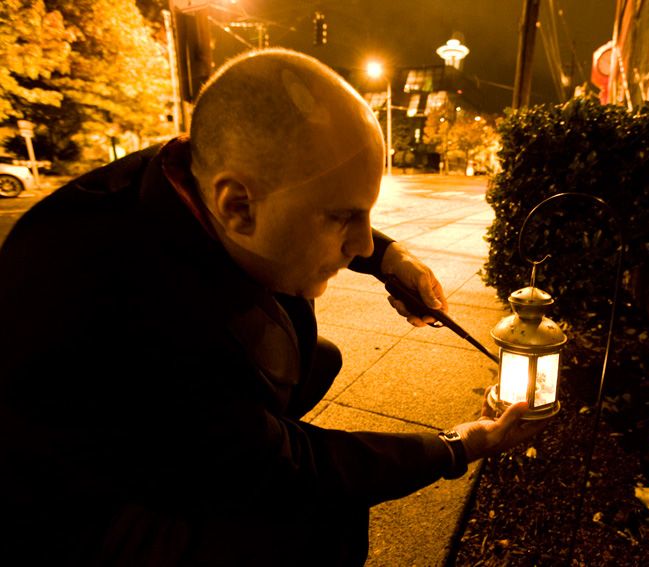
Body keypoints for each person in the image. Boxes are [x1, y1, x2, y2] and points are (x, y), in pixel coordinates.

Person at [0, 48, 548, 566]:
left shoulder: (181, 171)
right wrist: (457, 445)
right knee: (323, 518)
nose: (361, 243)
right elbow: (297, 470)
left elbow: (303, 203)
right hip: (77, 516)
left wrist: (390, 258)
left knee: (319, 357)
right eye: (343, 218)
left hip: (149, 432)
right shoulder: (131, 314)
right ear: (238, 206)